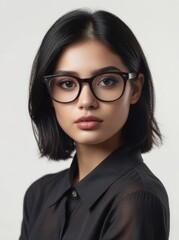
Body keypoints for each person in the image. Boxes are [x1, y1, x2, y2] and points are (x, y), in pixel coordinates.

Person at [19, 9, 170, 240]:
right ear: (49, 94)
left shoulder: (137, 199)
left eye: (107, 81)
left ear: (135, 89)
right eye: (67, 83)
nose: (86, 101)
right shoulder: (39, 194)